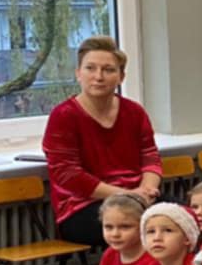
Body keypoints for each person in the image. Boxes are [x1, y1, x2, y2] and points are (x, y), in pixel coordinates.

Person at [41, 35, 163, 247]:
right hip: (83, 207)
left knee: (185, 219)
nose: (98, 77)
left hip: (137, 198)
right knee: (144, 229)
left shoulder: (134, 112)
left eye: (108, 70)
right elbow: (68, 174)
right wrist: (127, 196)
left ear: (121, 77)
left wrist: (147, 190)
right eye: (90, 68)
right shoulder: (64, 116)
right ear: (78, 73)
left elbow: (150, 157)